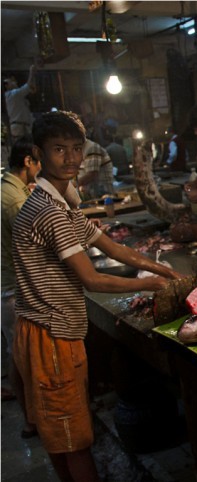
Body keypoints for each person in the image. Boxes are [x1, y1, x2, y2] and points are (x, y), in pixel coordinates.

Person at [11, 110, 183, 482]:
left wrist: (161, 268)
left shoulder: (60, 204)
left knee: (58, 433)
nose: (71, 158)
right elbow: (92, 279)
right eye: (59, 150)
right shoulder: (49, 211)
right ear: (39, 154)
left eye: (76, 149)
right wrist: (149, 285)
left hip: (43, 328)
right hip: (51, 337)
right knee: (73, 440)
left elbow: (110, 247)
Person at [1, 137, 39, 438]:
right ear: (28, 161)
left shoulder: (9, 188)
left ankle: (31, 416)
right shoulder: (13, 200)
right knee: (20, 355)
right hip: (12, 289)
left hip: (7, 284)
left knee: (16, 352)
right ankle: (31, 420)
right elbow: (34, 240)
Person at [3, 65, 37, 140]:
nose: (15, 82)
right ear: (7, 86)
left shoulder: (15, 95)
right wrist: (31, 72)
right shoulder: (13, 94)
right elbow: (28, 86)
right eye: (11, 81)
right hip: (19, 127)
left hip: (21, 127)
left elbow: (32, 89)